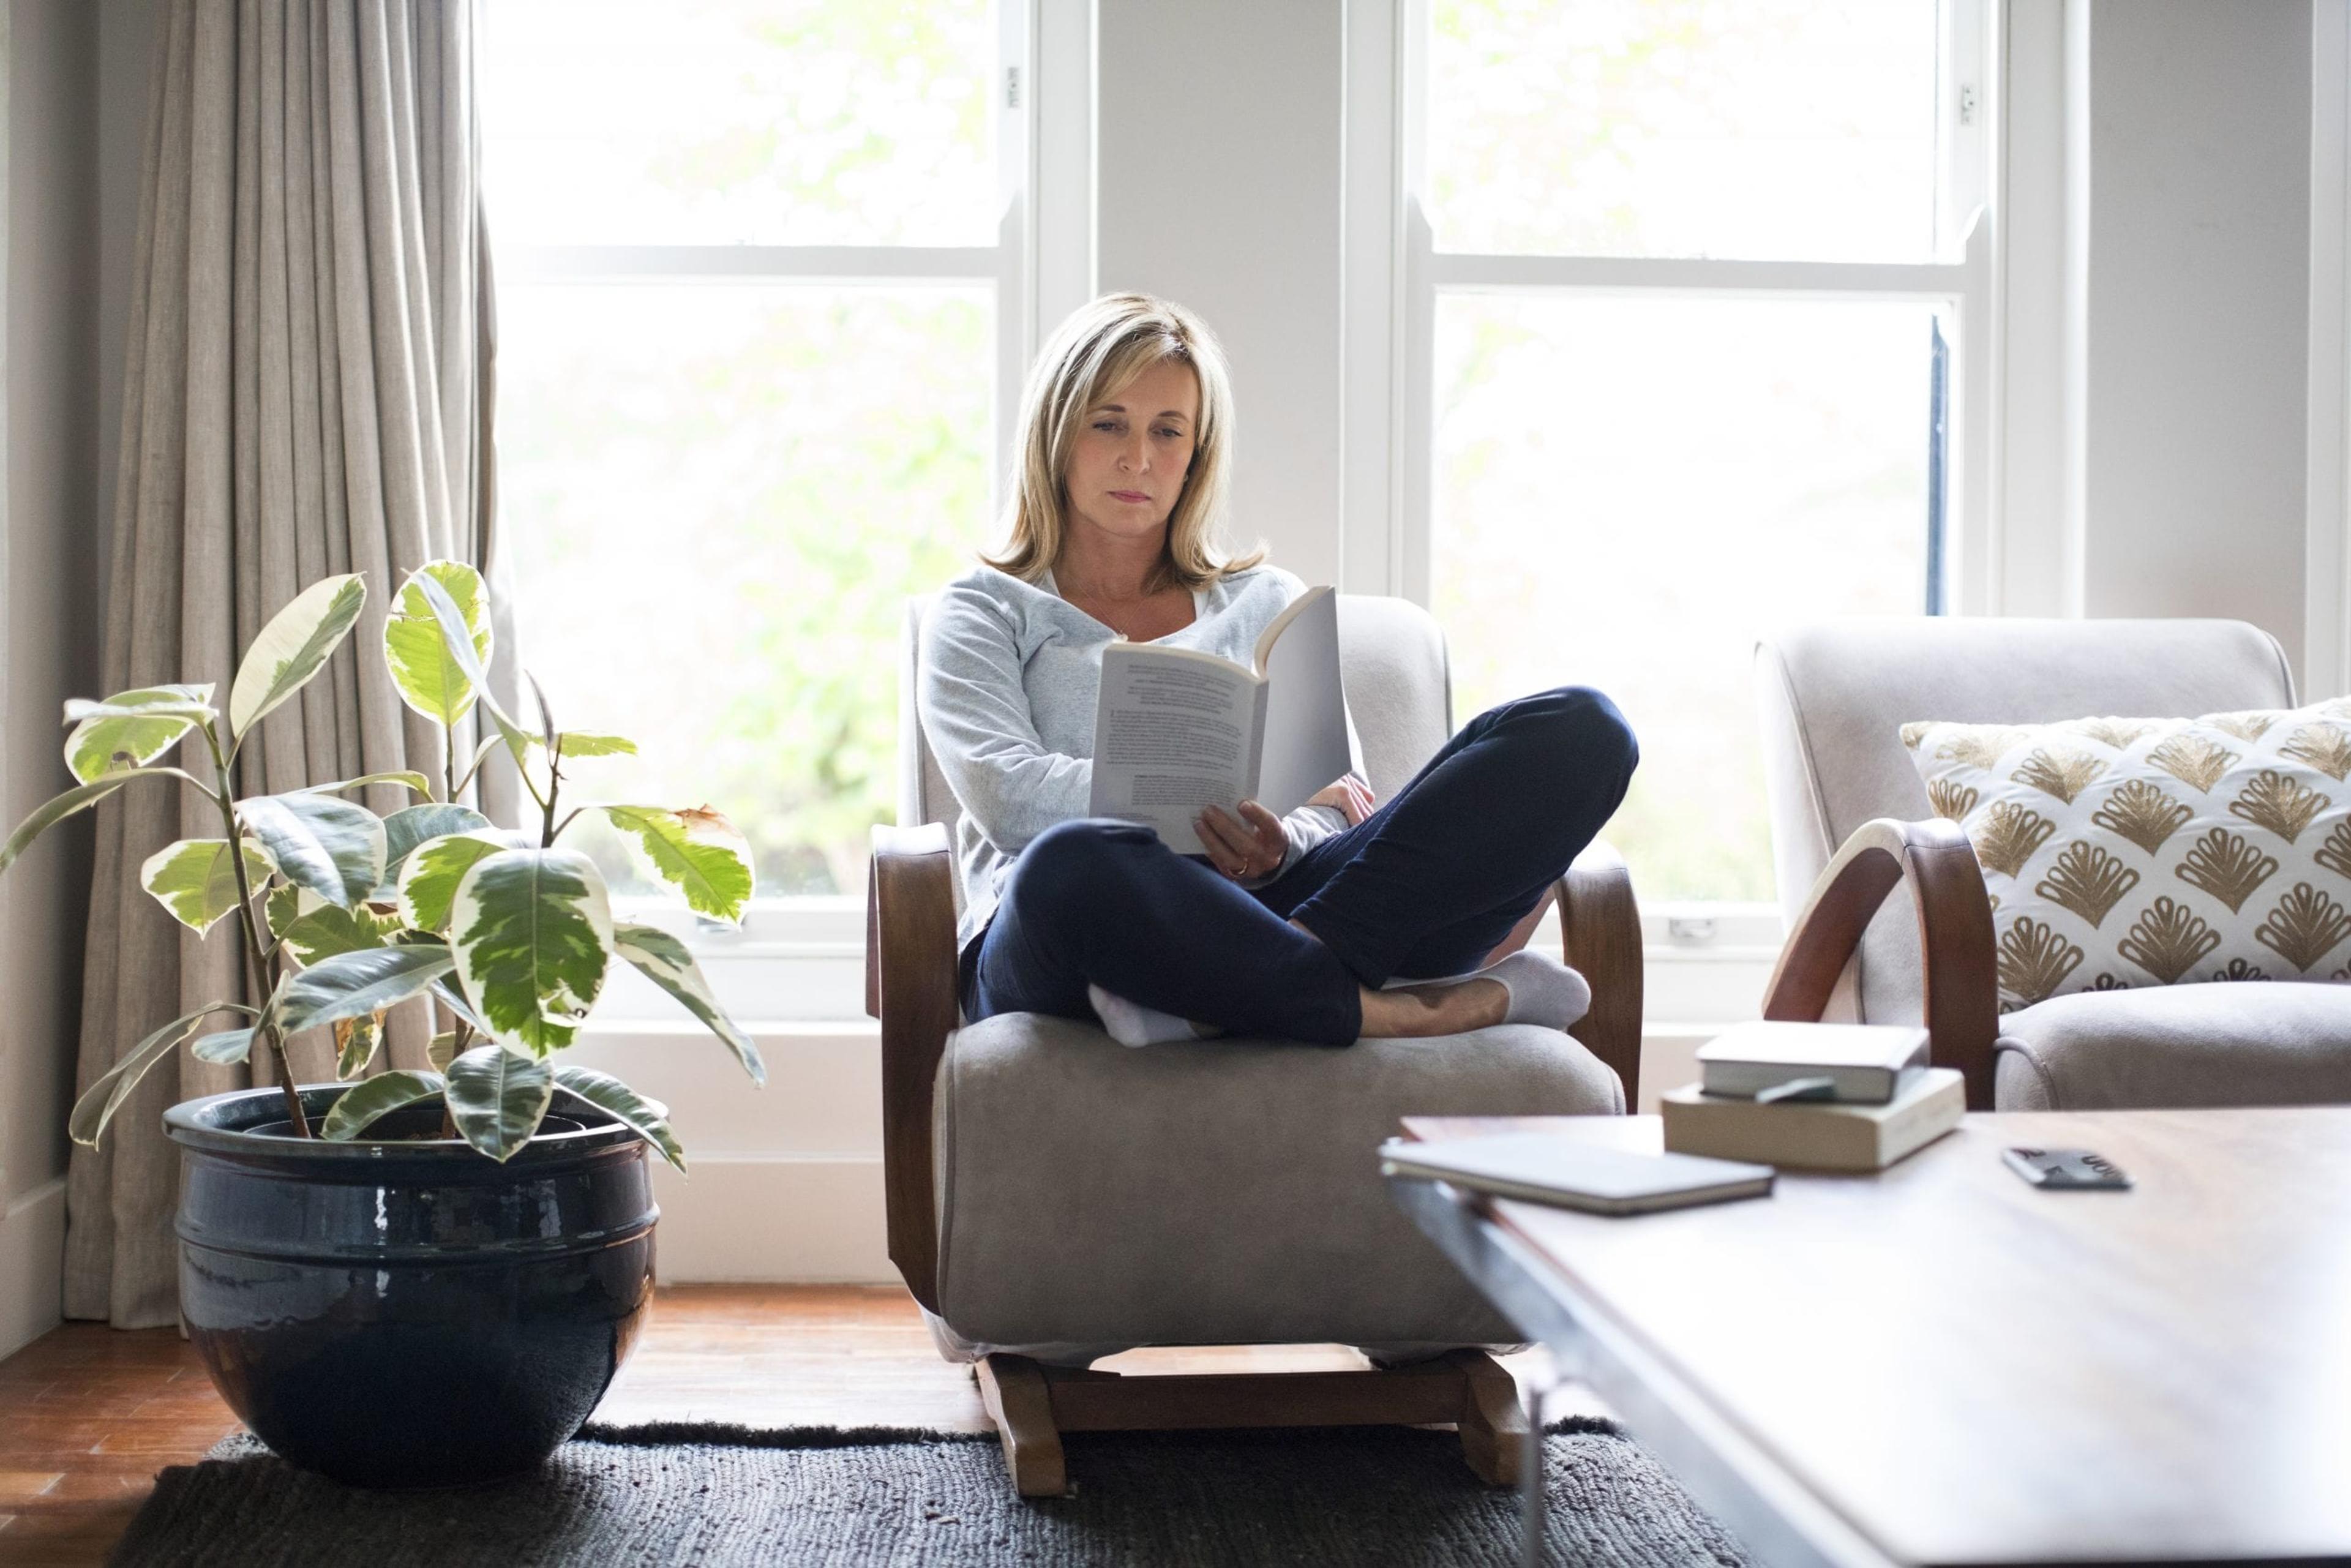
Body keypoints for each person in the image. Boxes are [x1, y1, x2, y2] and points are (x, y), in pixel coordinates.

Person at [918, 293, 1637, 1048]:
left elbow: (1335, 799)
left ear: (1198, 451)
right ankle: (1390, 1006)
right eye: (1110, 425)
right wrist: (1173, 802)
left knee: (1585, 729)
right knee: (1069, 862)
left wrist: (1278, 845)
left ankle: (1255, 982)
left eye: (1169, 431)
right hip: (1084, 925)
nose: (1140, 458)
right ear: (1057, 434)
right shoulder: (982, 609)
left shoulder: (1267, 599)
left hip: (1276, 901)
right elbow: (1003, 796)